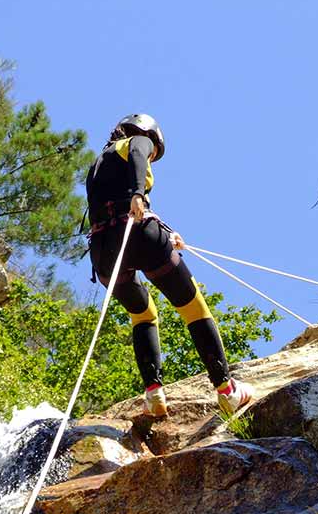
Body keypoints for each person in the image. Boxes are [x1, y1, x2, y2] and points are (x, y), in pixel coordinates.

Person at [85, 113, 255, 418]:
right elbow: (137, 158)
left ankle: (154, 393)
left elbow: (111, 207)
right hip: (138, 234)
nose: (150, 154)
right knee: (193, 306)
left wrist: (165, 230)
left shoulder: (97, 165)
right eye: (153, 151)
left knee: (143, 314)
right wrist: (139, 193)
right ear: (146, 133)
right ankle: (227, 390)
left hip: (103, 254)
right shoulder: (136, 141)